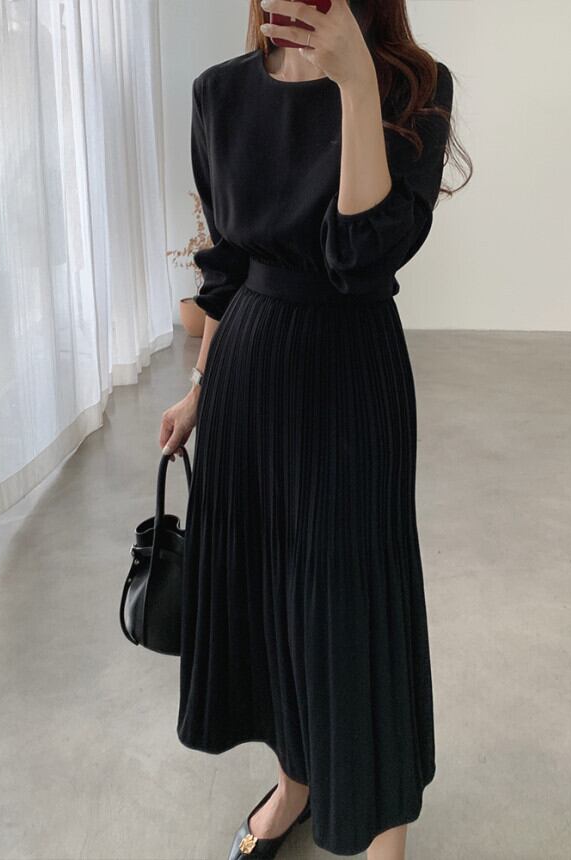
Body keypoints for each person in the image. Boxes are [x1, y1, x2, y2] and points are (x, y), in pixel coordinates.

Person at [159, 0, 471, 856]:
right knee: (271, 600)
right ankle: (296, 780)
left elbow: (361, 257)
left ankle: (383, 830)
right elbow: (227, 269)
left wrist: (356, 82)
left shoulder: (414, 88)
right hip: (249, 377)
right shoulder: (219, 93)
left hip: (349, 373)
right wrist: (198, 391)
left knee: (354, 604)